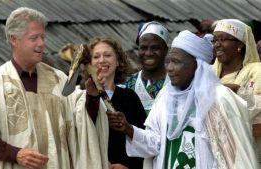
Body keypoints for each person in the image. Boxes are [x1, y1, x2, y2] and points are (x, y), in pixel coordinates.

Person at [0, 7, 109, 169]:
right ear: (13, 39)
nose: (41, 44)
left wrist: (93, 95)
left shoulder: (59, 80)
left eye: (43, 37)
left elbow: (82, 124)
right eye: (34, 38)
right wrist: (15, 153)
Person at [108, 30, 260, 169]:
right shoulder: (165, 97)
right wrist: (128, 129)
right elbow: (155, 143)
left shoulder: (217, 99)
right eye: (169, 61)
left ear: (197, 65)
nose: (169, 68)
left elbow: (232, 158)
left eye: (177, 62)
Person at [84, 37, 147, 169]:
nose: (102, 60)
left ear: (118, 61)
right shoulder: (79, 99)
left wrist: (128, 167)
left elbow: (144, 139)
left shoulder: (130, 98)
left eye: (107, 55)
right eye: (96, 57)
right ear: (89, 64)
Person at [212, 19, 261, 160]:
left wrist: (238, 93)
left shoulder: (256, 71)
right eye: (214, 40)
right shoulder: (208, 73)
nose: (217, 44)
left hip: (246, 152)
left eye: (223, 39)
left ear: (240, 43)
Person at [125, 21, 169, 114]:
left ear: (165, 50)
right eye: (144, 48)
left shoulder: (177, 83)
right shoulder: (129, 85)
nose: (148, 53)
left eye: (155, 48)